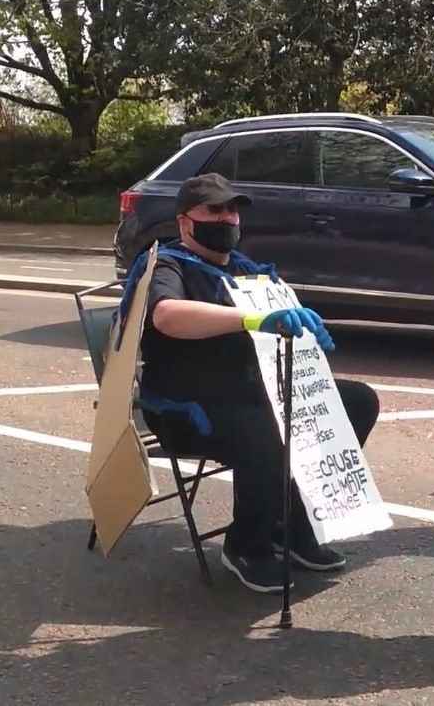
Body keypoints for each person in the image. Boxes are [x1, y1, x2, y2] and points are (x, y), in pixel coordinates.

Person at [134, 172, 380, 594]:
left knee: (357, 401)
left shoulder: (249, 272)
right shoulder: (166, 264)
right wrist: (250, 319)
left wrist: (306, 334)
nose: (227, 218)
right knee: (267, 426)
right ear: (184, 222)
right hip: (185, 403)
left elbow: (283, 323)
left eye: (232, 209)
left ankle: (293, 527)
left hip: (255, 390)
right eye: (214, 210)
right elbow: (166, 316)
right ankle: (246, 544)